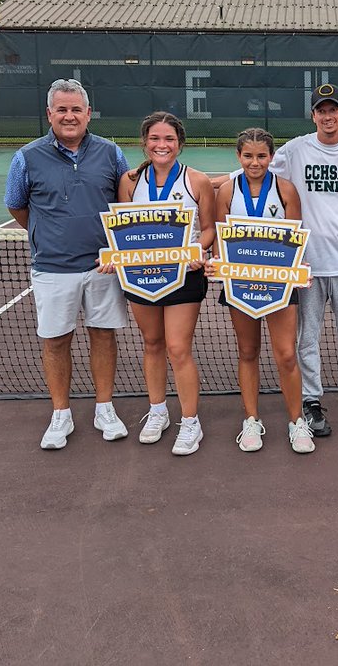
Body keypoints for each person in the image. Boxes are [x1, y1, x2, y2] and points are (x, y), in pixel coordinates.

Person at [4, 78, 131, 450]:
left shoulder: (111, 153)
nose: (69, 116)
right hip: (52, 269)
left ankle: (104, 408)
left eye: (76, 109)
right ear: (50, 113)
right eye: (62, 109)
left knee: (103, 335)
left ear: (88, 113)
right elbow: (16, 205)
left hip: (102, 266)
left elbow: (125, 202)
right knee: (56, 341)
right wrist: (50, 234)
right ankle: (61, 414)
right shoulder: (26, 157)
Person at [267, 84, 338, 438]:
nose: (328, 116)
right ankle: (311, 401)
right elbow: (257, 172)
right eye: (321, 110)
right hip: (307, 266)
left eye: (333, 110)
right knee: (307, 340)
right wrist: (211, 185)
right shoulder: (295, 150)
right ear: (313, 115)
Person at [207, 128, 314, 454]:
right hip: (240, 284)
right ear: (238, 157)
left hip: (279, 285)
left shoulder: (285, 190)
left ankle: (297, 422)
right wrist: (216, 263)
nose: (255, 163)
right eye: (248, 156)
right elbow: (220, 240)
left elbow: (296, 240)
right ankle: (251, 420)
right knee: (247, 351)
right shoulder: (227, 191)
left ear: (271, 156)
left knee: (286, 354)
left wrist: (299, 271)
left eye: (262, 156)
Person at [116, 111, 216, 456]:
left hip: (184, 276)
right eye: (155, 138)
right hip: (141, 275)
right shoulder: (130, 181)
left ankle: (190, 422)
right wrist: (116, 256)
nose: (162, 145)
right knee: (152, 343)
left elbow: (209, 229)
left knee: (178, 348)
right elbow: (123, 227)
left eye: (169, 139)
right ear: (145, 142)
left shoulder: (197, 181)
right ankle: (157, 411)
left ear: (180, 143)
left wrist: (196, 250)